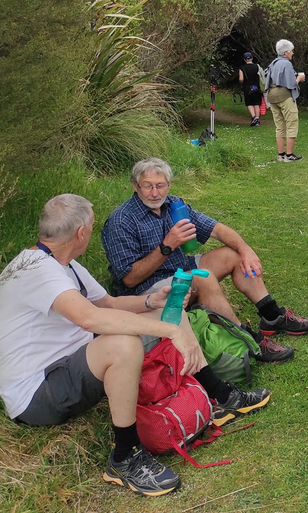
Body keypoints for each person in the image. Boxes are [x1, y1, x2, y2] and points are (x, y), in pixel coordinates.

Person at [0, 195, 271, 497]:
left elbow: (110, 303)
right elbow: (90, 319)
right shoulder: (38, 271)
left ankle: (219, 396)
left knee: (170, 309)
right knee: (123, 345)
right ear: (80, 233)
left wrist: (150, 302)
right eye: (91, 225)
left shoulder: (63, 264)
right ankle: (124, 457)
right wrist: (167, 330)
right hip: (38, 395)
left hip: (70, 365)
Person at [102, 158, 308, 364]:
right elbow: (130, 279)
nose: (155, 193)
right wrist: (167, 246)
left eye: (160, 185)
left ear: (169, 184)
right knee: (201, 278)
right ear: (134, 185)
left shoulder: (173, 205)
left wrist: (246, 250)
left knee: (232, 254)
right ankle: (251, 341)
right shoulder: (121, 220)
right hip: (147, 290)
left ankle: (272, 316)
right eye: (147, 186)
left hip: (179, 270)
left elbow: (216, 229)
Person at [264, 39, 306, 162]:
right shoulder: (286, 63)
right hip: (284, 96)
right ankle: (289, 155)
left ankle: (281, 154)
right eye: (292, 51)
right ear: (286, 52)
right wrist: (299, 78)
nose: (293, 53)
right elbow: (291, 84)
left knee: (279, 125)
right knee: (291, 122)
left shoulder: (273, 63)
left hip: (272, 96)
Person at [238, 52, 263, 127]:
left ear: (245, 59)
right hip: (256, 87)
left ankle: (254, 117)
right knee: (256, 103)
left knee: (249, 103)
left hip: (247, 88)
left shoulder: (242, 68)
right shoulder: (257, 66)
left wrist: (240, 81)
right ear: (252, 58)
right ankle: (257, 120)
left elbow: (241, 79)